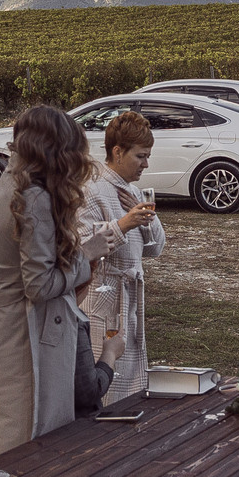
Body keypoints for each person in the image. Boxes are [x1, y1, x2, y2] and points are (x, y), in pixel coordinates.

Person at [0, 105, 93, 465]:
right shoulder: (34, 197)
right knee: (21, 435)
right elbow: (39, 286)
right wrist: (86, 259)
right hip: (19, 334)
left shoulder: (11, 182)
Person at [80, 110, 164, 404]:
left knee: (132, 384)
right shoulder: (91, 190)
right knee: (105, 384)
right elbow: (83, 247)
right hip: (104, 299)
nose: (146, 163)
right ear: (117, 152)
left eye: (148, 156)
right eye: (140, 156)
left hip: (130, 297)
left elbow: (156, 249)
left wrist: (149, 219)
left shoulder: (133, 190)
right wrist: (126, 222)